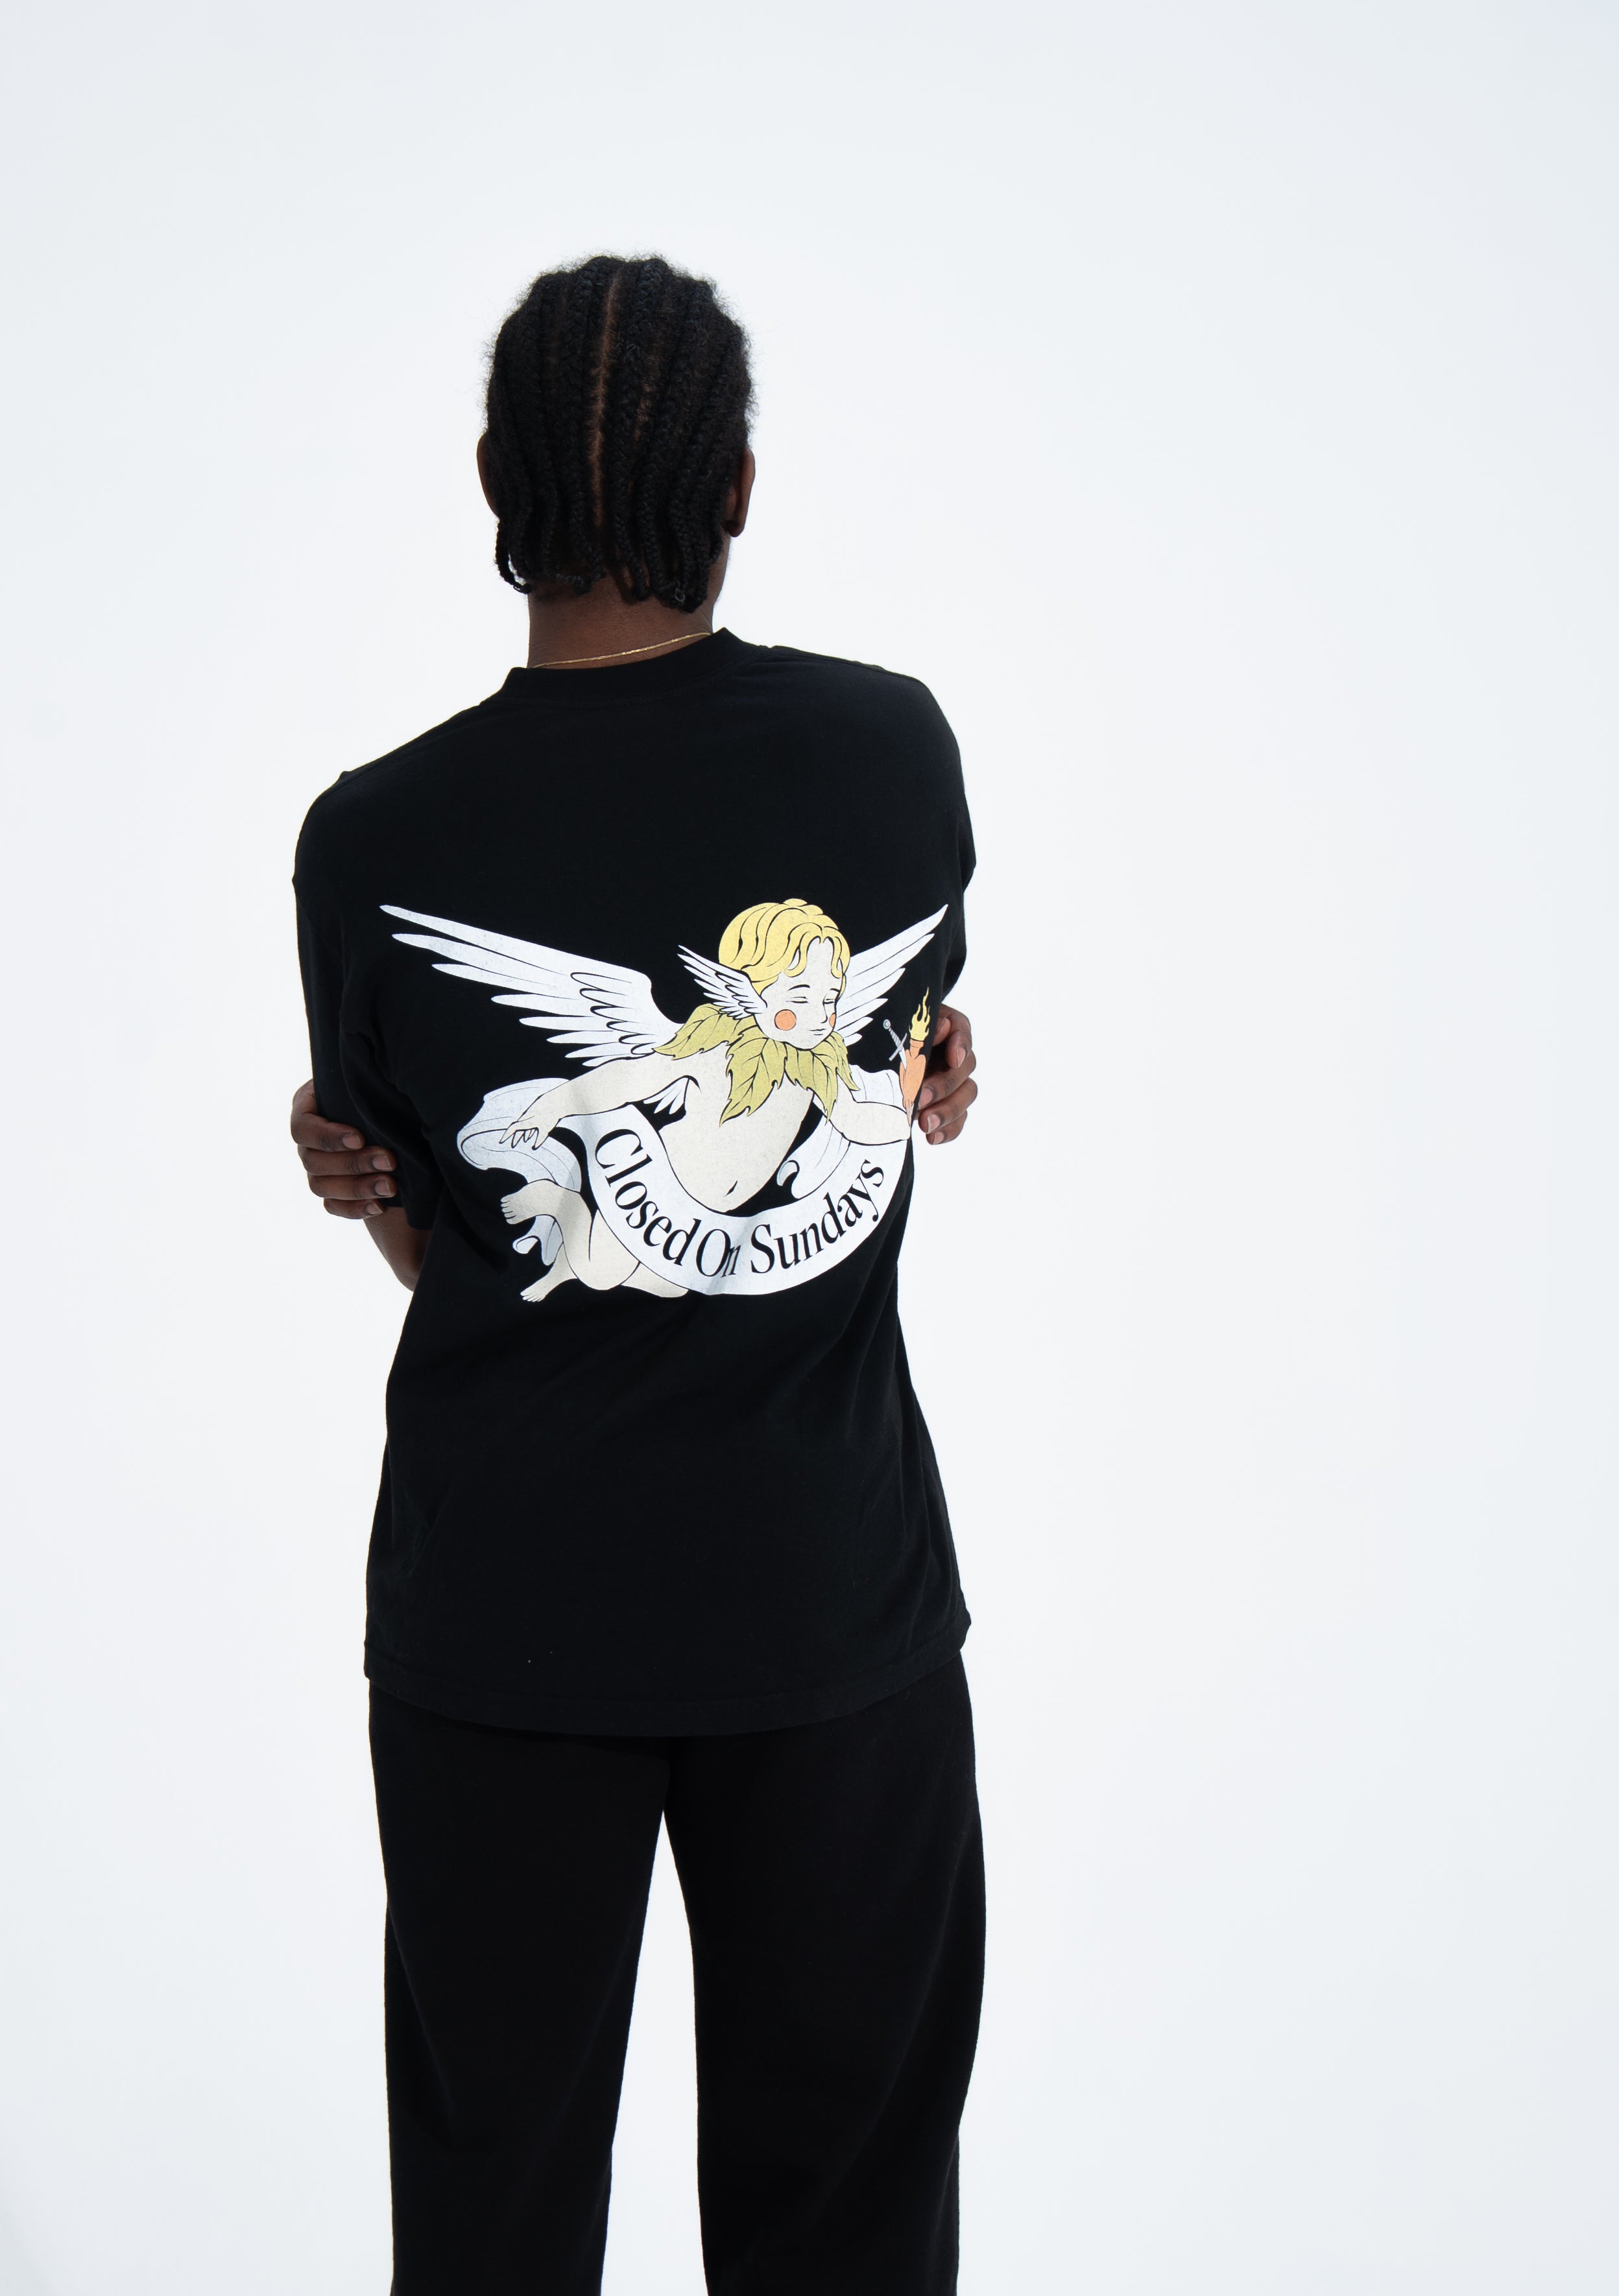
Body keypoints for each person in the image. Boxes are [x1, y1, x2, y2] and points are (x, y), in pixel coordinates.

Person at [292, 254, 983, 2296]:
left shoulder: (376, 840)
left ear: (492, 480)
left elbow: (445, 1242)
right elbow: (902, 1075)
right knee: (849, 2226)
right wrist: (924, 1067)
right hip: (830, 1606)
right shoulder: (892, 754)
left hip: (506, 1626)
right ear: (739, 486)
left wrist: (363, 1171)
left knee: (493, 2223)